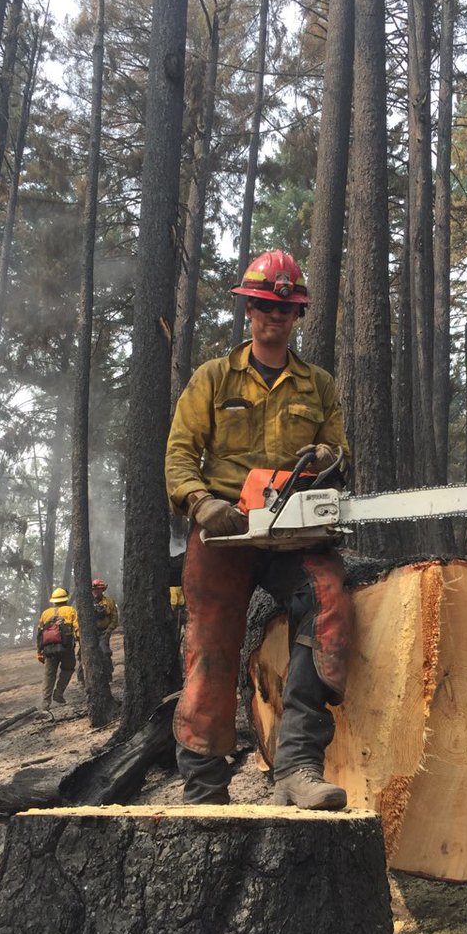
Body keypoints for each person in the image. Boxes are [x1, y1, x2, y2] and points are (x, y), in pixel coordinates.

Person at [165, 248, 354, 809]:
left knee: (327, 603)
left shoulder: (316, 384)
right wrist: (199, 501)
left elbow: (340, 450)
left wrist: (328, 456)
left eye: (287, 309)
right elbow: (179, 454)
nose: (276, 317)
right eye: (266, 307)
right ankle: (203, 786)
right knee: (209, 647)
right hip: (226, 529)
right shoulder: (214, 378)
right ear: (249, 308)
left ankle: (297, 764)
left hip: (291, 527)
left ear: (297, 315)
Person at [35, 587, 79, 712]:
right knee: (68, 668)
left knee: (49, 675)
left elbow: (39, 634)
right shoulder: (70, 610)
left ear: (53, 600)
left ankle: (45, 703)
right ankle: (59, 693)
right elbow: (77, 629)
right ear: (66, 599)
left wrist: (39, 652)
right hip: (66, 649)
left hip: (49, 650)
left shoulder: (45, 613)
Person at [91, 578, 119, 679]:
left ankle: (108, 674)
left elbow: (115, 618)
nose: (96, 591)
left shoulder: (109, 601)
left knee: (104, 651)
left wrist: (109, 630)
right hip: (91, 633)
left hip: (104, 631)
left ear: (102, 590)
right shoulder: (87, 603)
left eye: (99, 589)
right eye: (94, 589)